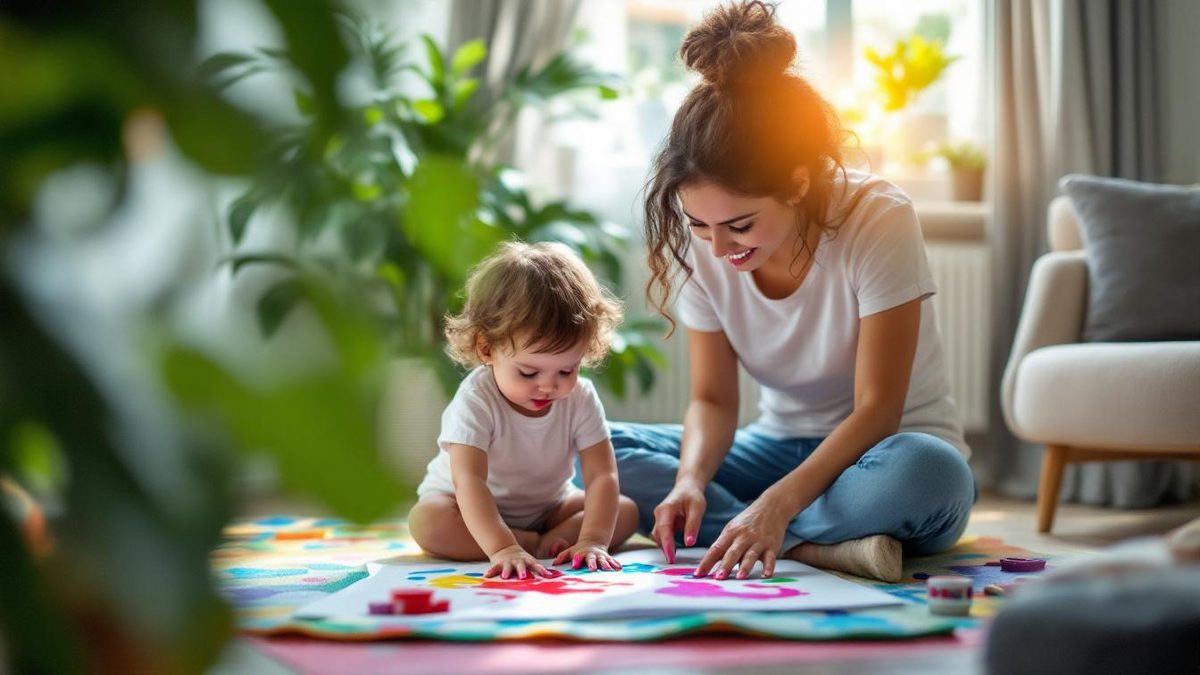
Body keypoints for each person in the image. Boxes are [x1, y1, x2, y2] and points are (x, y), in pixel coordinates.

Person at [611, 0, 975, 582]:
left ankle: (769, 528)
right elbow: (713, 400)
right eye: (699, 224)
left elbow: (878, 410)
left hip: (884, 453)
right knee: (592, 450)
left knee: (930, 474)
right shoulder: (703, 242)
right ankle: (818, 544)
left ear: (798, 184)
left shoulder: (878, 216)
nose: (718, 247)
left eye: (740, 225)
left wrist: (776, 506)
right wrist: (689, 480)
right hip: (774, 448)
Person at [409, 241, 639, 579]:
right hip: (465, 507)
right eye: (529, 373)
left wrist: (593, 540)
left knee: (625, 510)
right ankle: (532, 544)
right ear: (486, 349)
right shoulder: (477, 398)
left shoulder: (581, 397)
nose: (549, 386)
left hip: (549, 508)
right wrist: (503, 548)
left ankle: (545, 542)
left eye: (567, 370)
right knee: (428, 522)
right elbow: (469, 480)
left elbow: (602, 475)